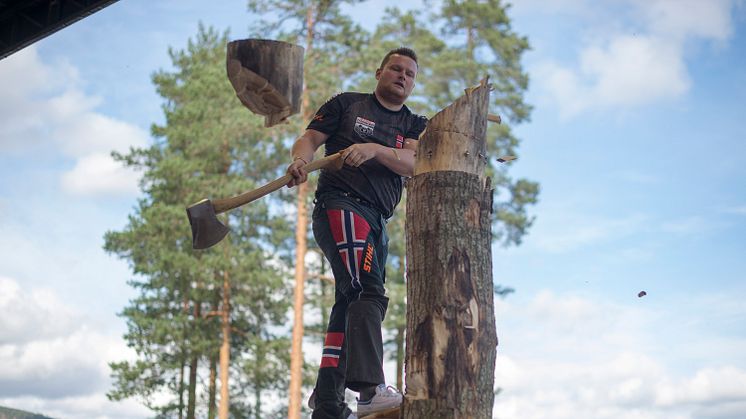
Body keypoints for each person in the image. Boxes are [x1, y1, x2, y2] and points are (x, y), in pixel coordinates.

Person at [285, 47, 427, 419]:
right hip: (342, 205)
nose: (402, 76)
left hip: (379, 220)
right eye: (395, 69)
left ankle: (329, 400)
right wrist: (300, 160)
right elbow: (309, 140)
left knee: (351, 299)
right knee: (366, 291)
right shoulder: (347, 105)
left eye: (410, 74)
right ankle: (368, 392)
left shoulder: (413, 124)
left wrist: (373, 149)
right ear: (379, 71)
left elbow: (413, 163)